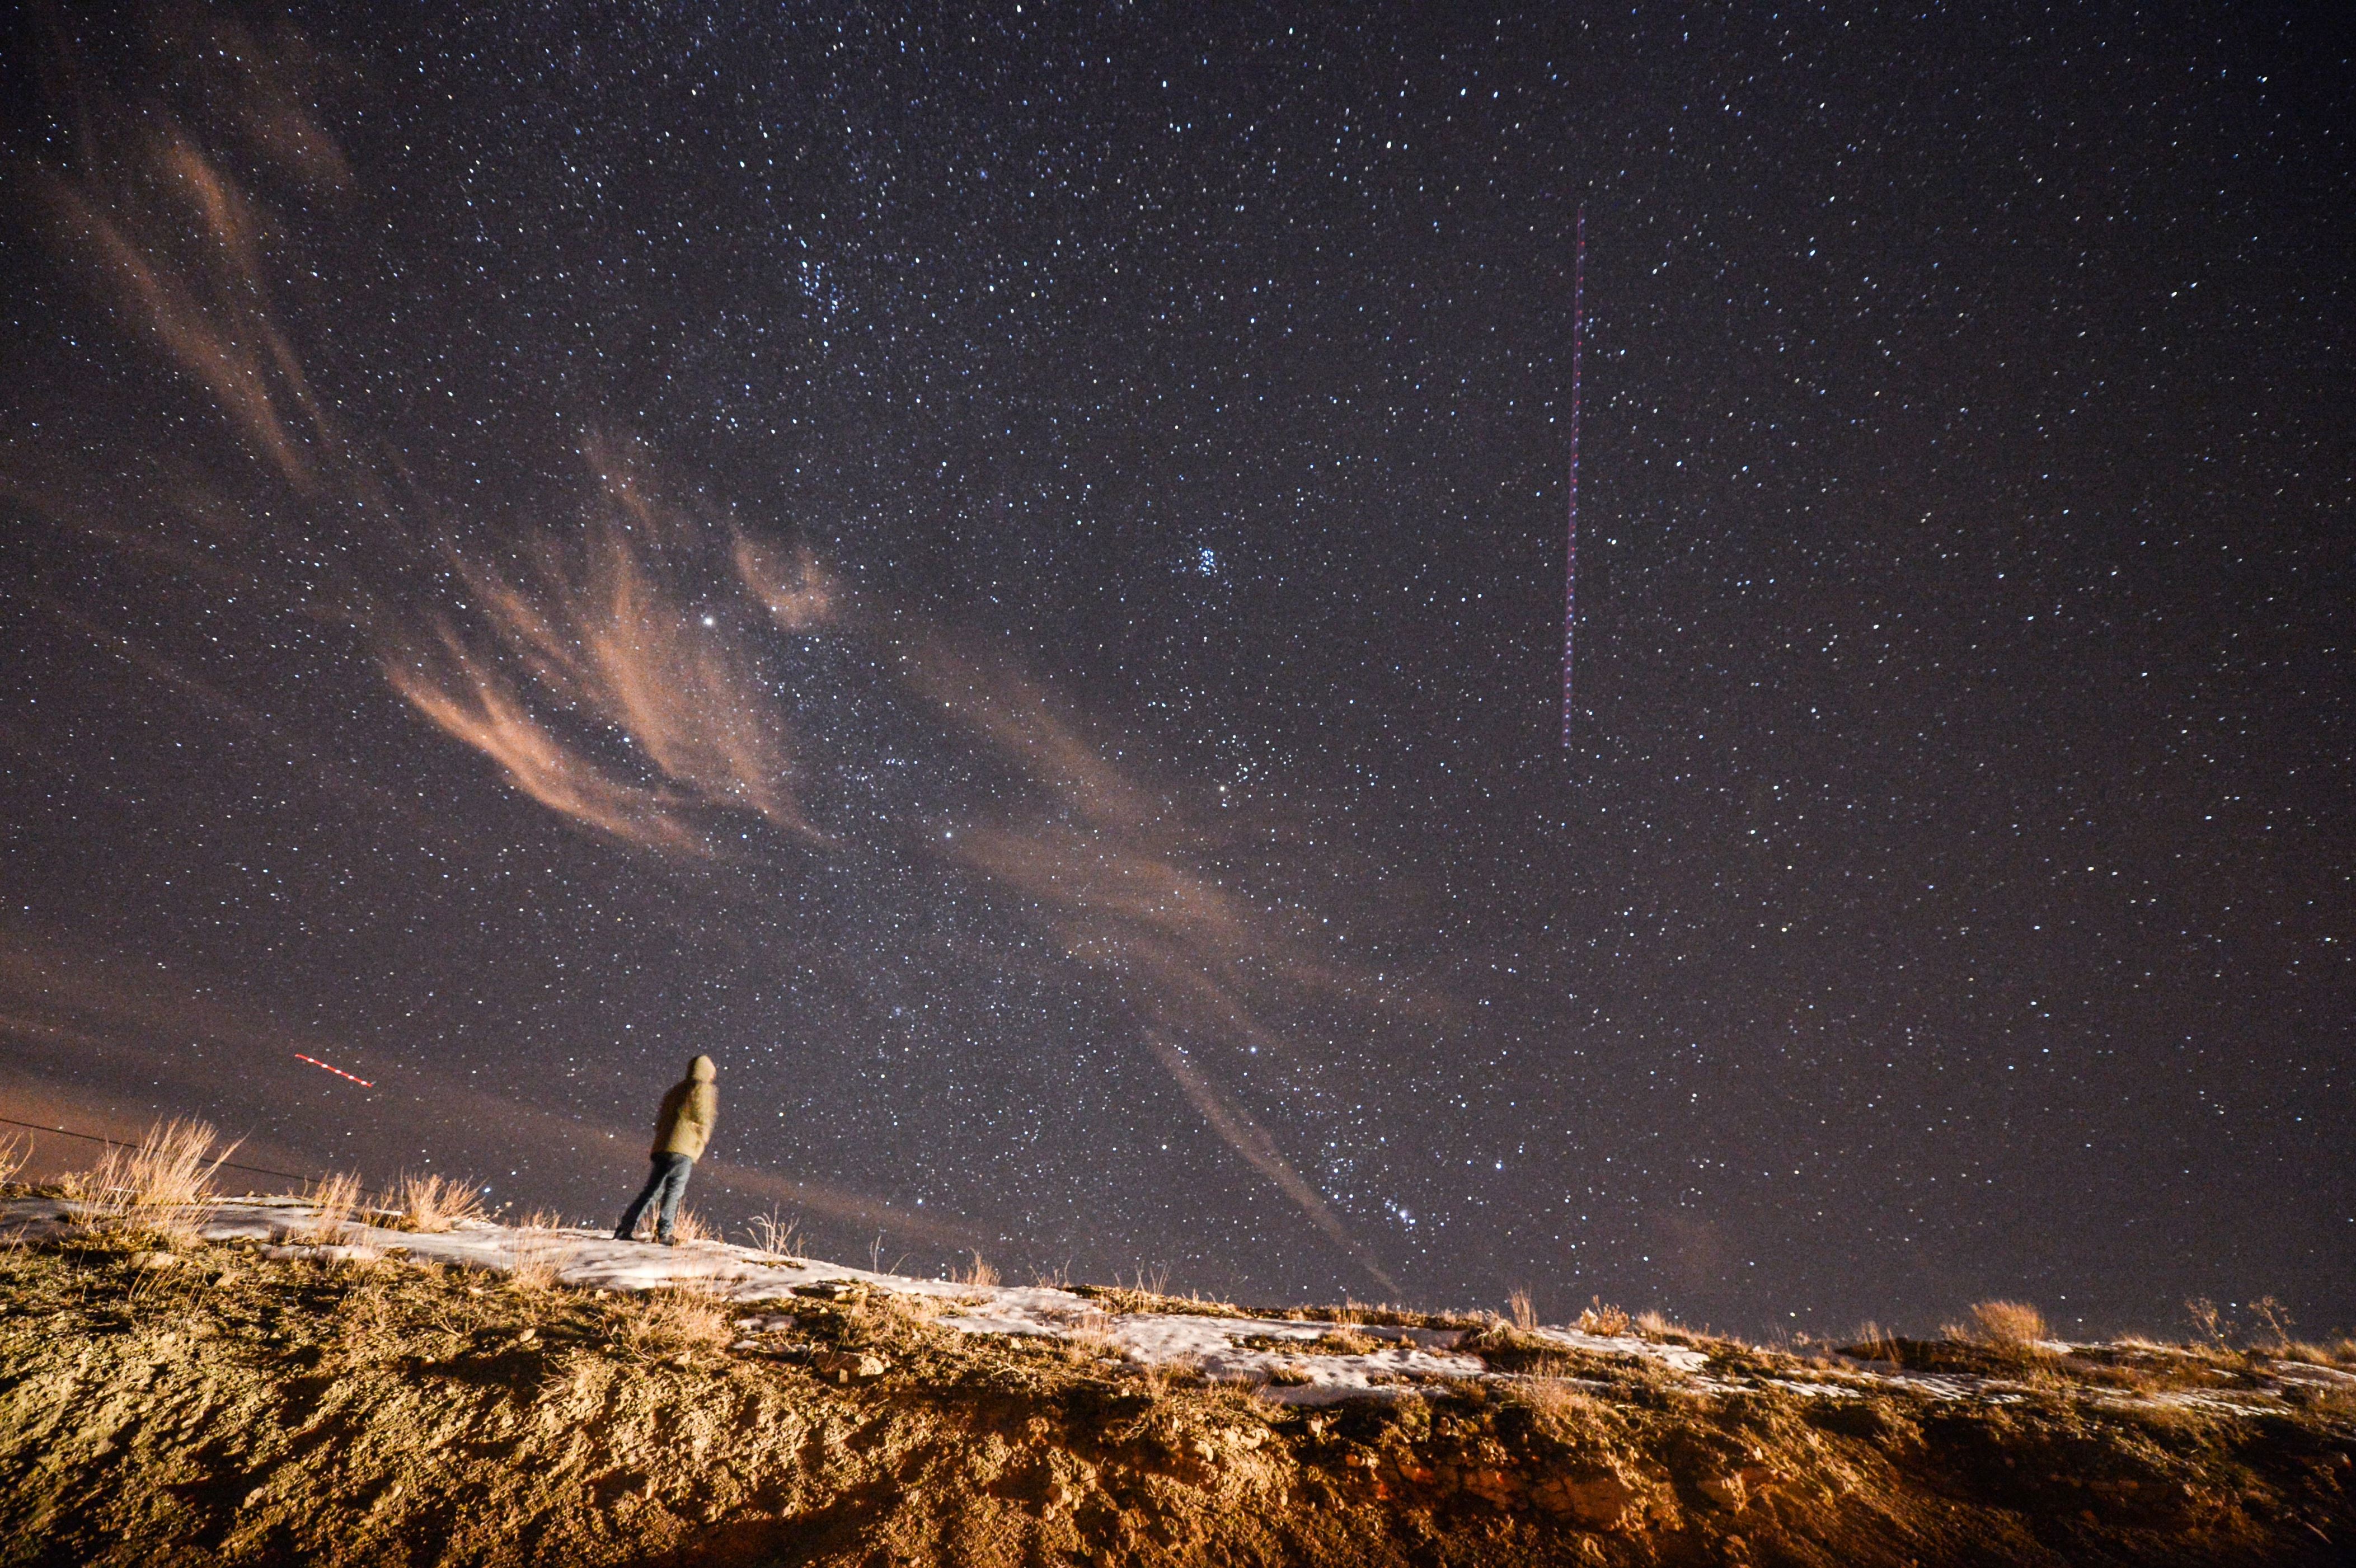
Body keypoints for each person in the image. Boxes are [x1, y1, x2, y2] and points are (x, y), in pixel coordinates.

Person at [614, 1054, 719, 1245]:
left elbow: (661, 1120)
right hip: (683, 1149)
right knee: (674, 1191)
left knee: (651, 1192)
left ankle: (625, 1228)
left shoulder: (675, 1091)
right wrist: (701, 1141)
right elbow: (703, 1119)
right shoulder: (702, 1089)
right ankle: (664, 1233)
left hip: (663, 1147)